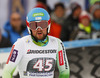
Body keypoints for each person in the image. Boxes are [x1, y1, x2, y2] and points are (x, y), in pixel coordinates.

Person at [2, 8, 70, 78]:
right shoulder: (20, 44)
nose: (39, 29)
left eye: (43, 24)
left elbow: (64, 72)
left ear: (48, 25)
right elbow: (7, 72)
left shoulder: (57, 43)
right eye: (34, 25)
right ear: (29, 27)